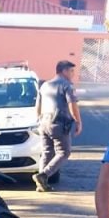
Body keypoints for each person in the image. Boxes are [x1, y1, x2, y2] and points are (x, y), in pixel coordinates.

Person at [34, 58, 82, 192]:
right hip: (58, 123)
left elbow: (38, 106)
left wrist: (39, 120)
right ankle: (43, 175)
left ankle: (41, 184)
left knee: (47, 152)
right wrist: (78, 122)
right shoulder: (67, 85)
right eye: (71, 71)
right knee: (64, 152)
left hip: (44, 122)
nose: (73, 74)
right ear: (64, 71)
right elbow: (72, 104)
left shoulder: (44, 85)